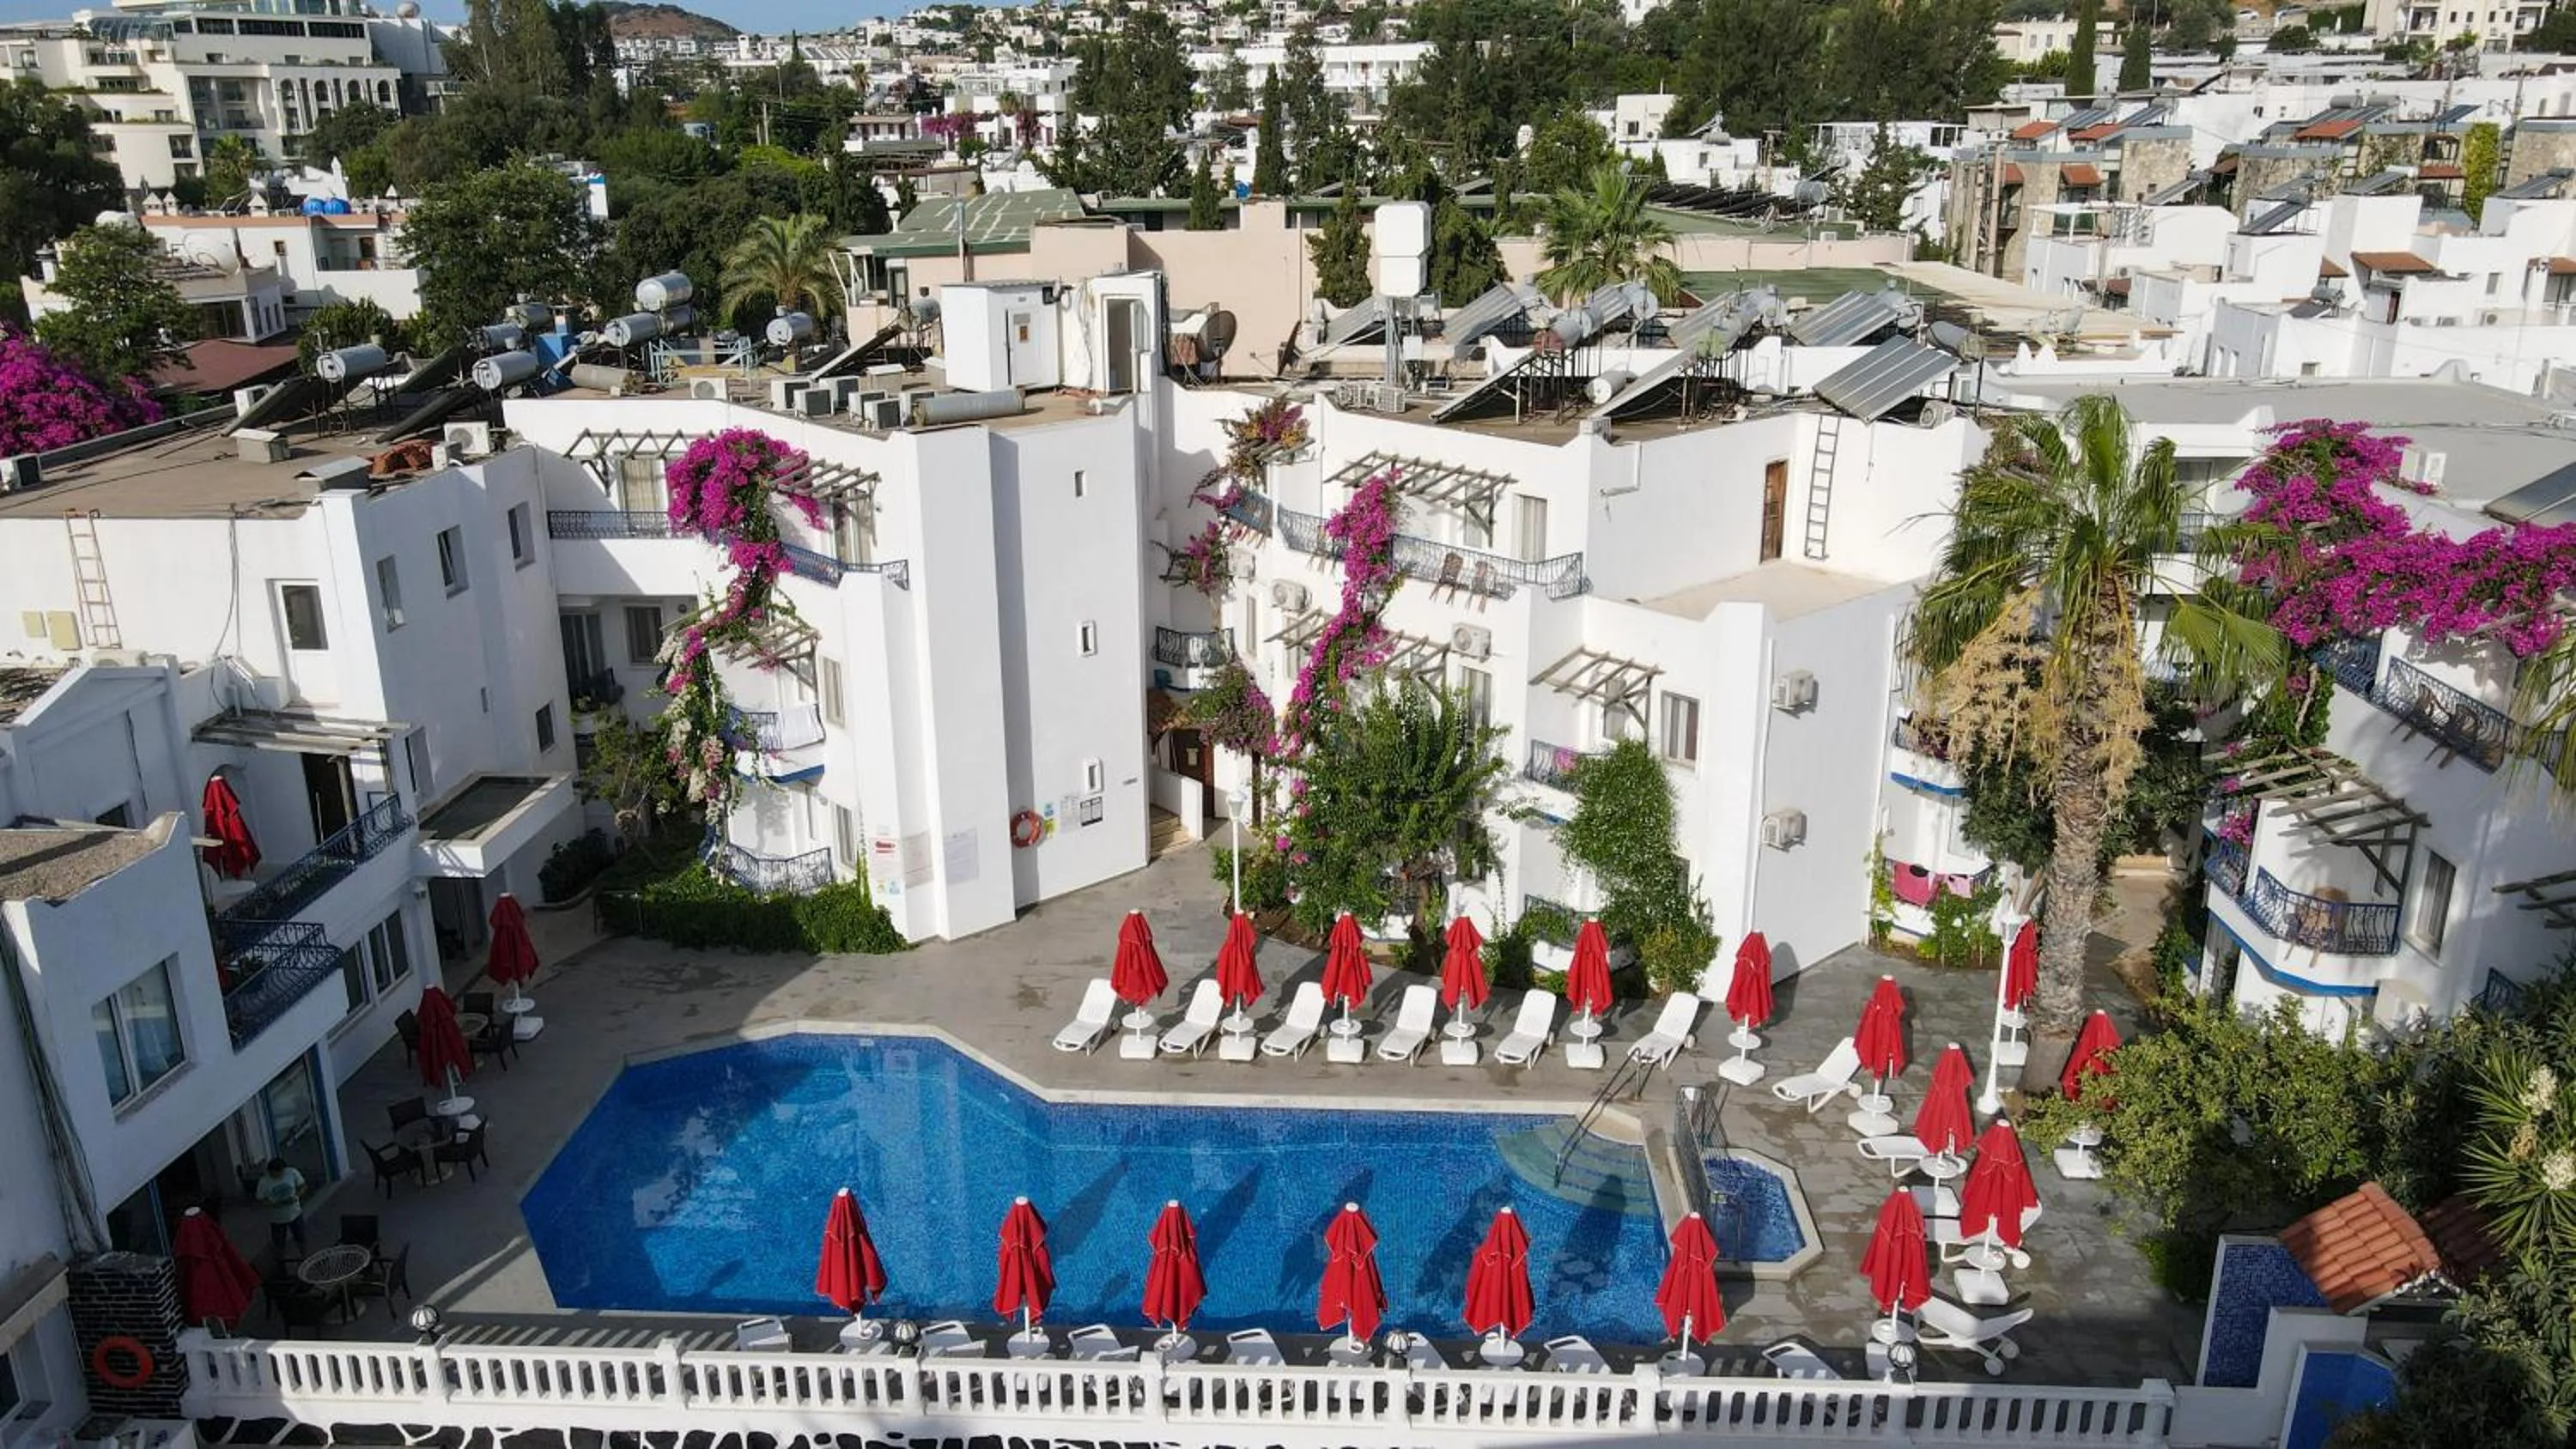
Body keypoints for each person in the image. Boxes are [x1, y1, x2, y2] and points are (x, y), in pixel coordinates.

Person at [254, 1156, 307, 1259]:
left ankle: (304, 1257)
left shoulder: (292, 1173)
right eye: (275, 1173)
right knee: (278, 1243)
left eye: (280, 1172)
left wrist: (297, 1196)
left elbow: (303, 1186)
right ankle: (280, 1262)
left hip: (294, 1213)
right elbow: (261, 1199)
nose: (278, 1175)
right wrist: (274, 1204)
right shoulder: (264, 1181)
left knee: (301, 1237)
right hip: (277, 1218)